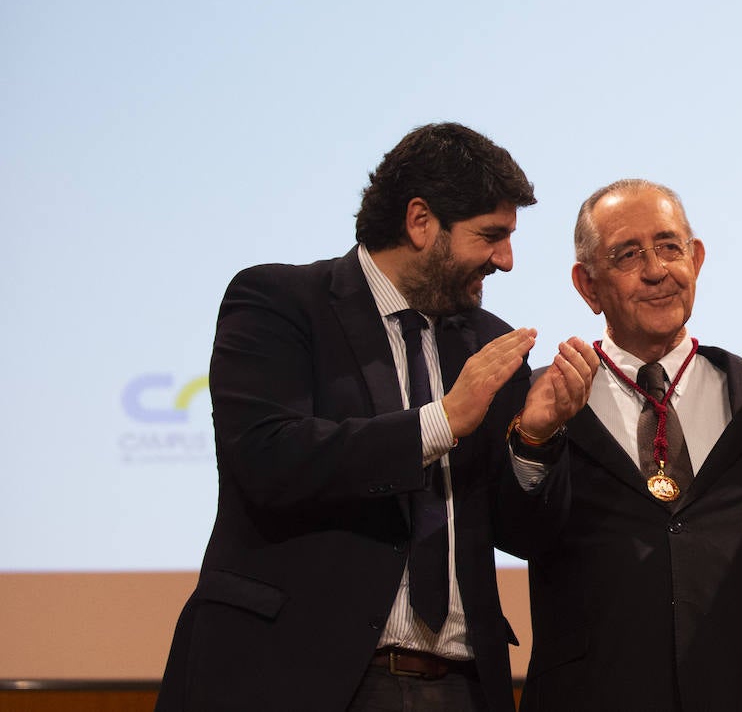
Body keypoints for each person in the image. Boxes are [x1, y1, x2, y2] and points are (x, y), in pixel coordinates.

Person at [155, 123, 597, 712]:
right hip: (297, 677)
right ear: (420, 222)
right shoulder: (279, 302)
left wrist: (533, 440)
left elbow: (525, 536)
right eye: (490, 235)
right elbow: (268, 459)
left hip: (462, 686)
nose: (506, 260)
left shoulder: (488, 344)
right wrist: (441, 420)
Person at [514, 178, 742, 712]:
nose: (656, 270)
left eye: (670, 247)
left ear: (697, 258)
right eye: (627, 255)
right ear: (588, 285)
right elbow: (515, 529)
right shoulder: (544, 404)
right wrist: (535, 438)